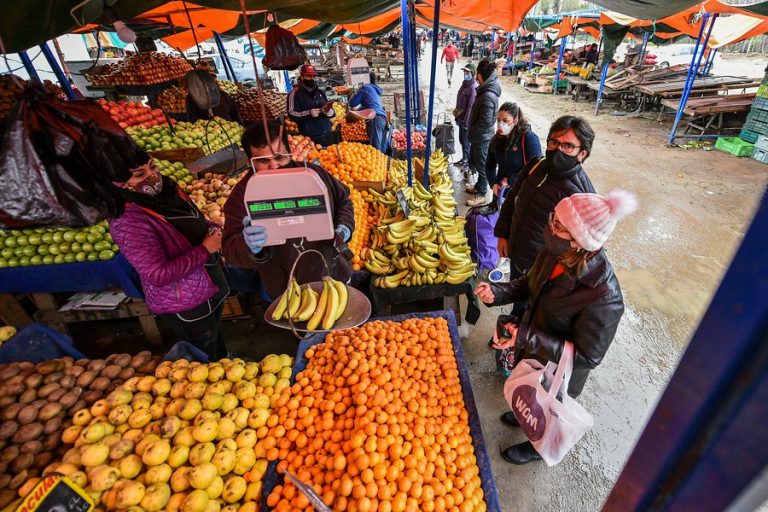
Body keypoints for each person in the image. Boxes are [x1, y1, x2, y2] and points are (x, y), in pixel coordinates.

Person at [475, 189, 636, 464]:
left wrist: (527, 336)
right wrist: (499, 293)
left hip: (559, 370)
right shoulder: (553, 253)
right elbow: (529, 283)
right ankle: (523, 411)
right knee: (528, 393)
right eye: (553, 220)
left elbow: (589, 357)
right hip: (533, 348)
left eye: (560, 227)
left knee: (548, 409)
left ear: (582, 242)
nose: (550, 228)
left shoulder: (604, 297)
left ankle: (537, 448)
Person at [109, 155, 229, 360]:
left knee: (215, 336)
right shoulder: (127, 219)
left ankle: (226, 359)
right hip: (185, 301)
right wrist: (205, 250)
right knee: (205, 356)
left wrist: (214, 229)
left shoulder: (169, 192)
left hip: (210, 284)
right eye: (140, 175)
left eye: (152, 167)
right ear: (119, 184)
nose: (152, 176)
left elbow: (196, 222)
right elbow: (157, 273)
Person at [222, 121, 355, 300]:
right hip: (284, 287)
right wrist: (250, 247)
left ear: (290, 152)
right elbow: (230, 249)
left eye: (279, 158)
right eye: (263, 161)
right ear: (249, 162)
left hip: (330, 270)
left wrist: (344, 227)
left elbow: (343, 199)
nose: (274, 166)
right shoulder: (241, 196)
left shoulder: (315, 174)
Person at [495, 115, 597, 280]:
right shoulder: (535, 165)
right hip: (515, 254)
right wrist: (502, 235)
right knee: (515, 298)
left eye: (568, 146)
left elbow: (584, 250)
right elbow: (512, 199)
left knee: (528, 305)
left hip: (543, 272)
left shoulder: (582, 197)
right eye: (554, 142)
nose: (558, 149)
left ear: (582, 154)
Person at [485, 102, 542, 198]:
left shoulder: (528, 139)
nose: (500, 124)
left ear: (515, 121)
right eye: (498, 120)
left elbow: (536, 168)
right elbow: (489, 166)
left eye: (505, 121)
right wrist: (493, 183)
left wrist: (511, 180)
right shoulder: (496, 140)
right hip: (501, 192)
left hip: (521, 193)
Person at [466, 58, 501, 207]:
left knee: (483, 166)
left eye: (477, 75)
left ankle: (481, 194)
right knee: (478, 162)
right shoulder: (486, 90)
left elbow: (485, 121)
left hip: (482, 137)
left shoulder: (488, 95)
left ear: (479, 75)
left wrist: (473, 131)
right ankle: (479, 187)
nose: (475, 78)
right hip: (479, 136)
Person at [287, 64, 336, 147]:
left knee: (329, 157)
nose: (312, 79)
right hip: (310, 138)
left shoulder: (319, 92)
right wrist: (309, 113)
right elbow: (291, 113)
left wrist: (332, 112)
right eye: (309, 76)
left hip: (327, 133)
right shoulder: (294, 94)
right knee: (315, 159)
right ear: (302, 76)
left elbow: (327, 107)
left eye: (314, 76)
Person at [349, 72, 388, 154]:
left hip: (375, 118)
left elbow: (353, 103)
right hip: (382, 117)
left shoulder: (365, 88)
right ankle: (382, 163)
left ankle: (377, 165)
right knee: (381, 147)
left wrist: (353, 94)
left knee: (375, 149)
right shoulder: (374, 90)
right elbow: (368, 105)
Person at [454, 63, 477, 168]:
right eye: (464, 71)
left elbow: (470, 107)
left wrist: (466, 121)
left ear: (472, 73)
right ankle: (464, 158)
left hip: (466, 121)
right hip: (460, 118)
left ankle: (467, 160)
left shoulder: (472, 88)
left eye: (467, 72)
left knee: (466, 142)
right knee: (461, 140)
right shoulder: (464, 85)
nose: (465, 73)